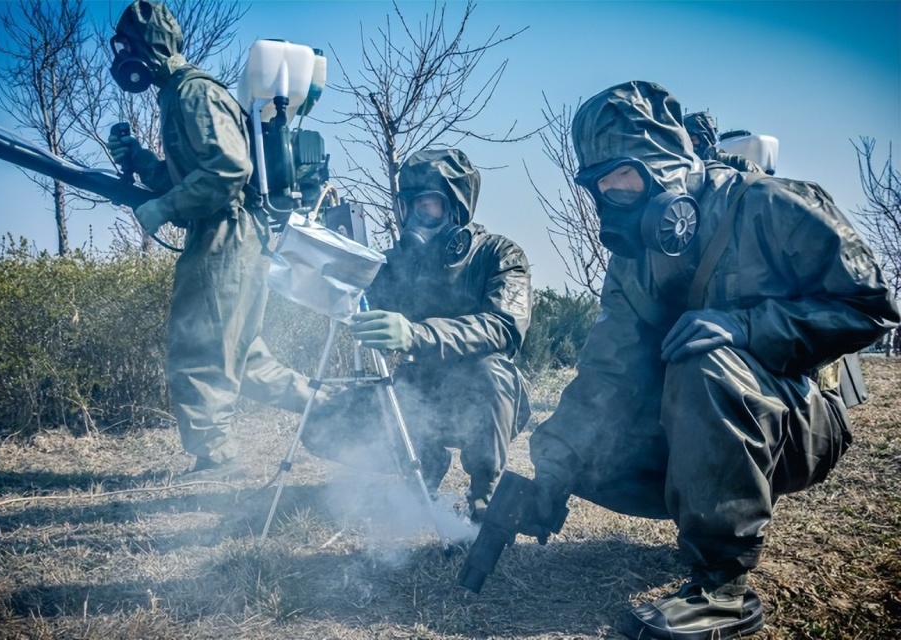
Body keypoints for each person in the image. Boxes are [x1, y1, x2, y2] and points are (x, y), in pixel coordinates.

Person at [524, 81, 899, 639]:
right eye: (601, 183)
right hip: (706, 420)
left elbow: (870, 306)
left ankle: (724, 588)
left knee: (705, 357)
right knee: (587, 439)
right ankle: (701, 515)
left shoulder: (770, 205)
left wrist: (744, 327)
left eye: (624, 176)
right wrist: (552, 471)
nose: (612, 194)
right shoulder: (633, 261)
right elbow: (608, 372)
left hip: (797, 425)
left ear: (664, 164)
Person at [106, 0, 320, 479]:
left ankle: (217, 460)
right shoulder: (176, 95)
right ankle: (335, 406)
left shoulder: (194, 92)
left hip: (226, 236)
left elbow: (228, 170)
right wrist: (140, 160)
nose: (125, 61)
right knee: (245, 359)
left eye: (131, 48)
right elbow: (188, 176)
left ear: (152, 48)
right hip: (225, 235)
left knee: (198, 349)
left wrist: (162, 209)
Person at [300, 148, 533, 520]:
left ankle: (483, 498)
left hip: (483, 400)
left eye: (429, 204)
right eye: (409, 206)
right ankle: (423, 462)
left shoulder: (501, 254)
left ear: (456, 206)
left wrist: (417, 334)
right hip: (417, 392)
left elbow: (503, 326)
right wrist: (318, 247)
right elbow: (344, 298)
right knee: (321, 424)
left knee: (491, 372)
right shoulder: (396, 264)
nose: (415, 217)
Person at [684, 110, 764, 173]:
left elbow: (760, 184)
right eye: (685, 141)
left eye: (692, 140)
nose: (689, 145)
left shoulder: (737, 163)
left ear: (706, 138)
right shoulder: (682, 169)